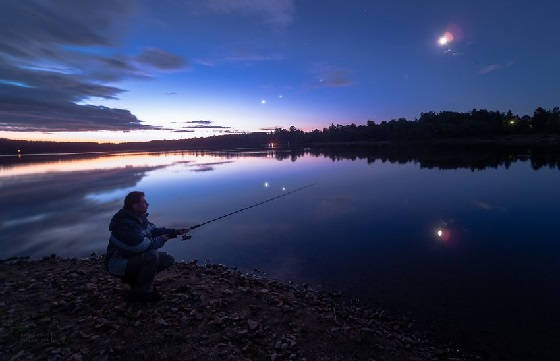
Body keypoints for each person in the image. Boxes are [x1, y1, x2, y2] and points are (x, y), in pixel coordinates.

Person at [105, 191, 188, 302]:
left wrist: (174, 232)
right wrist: (164, 238)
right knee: (152, 256)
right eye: (144, 202)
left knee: (167, 260)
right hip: (118, 263)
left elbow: (153, 231)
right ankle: (141, 294)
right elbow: (141, 246)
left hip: (131, 258)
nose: (147, 204)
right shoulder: (124, 225)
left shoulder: (139, 219)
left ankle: (134, 282)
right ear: (134, 206)